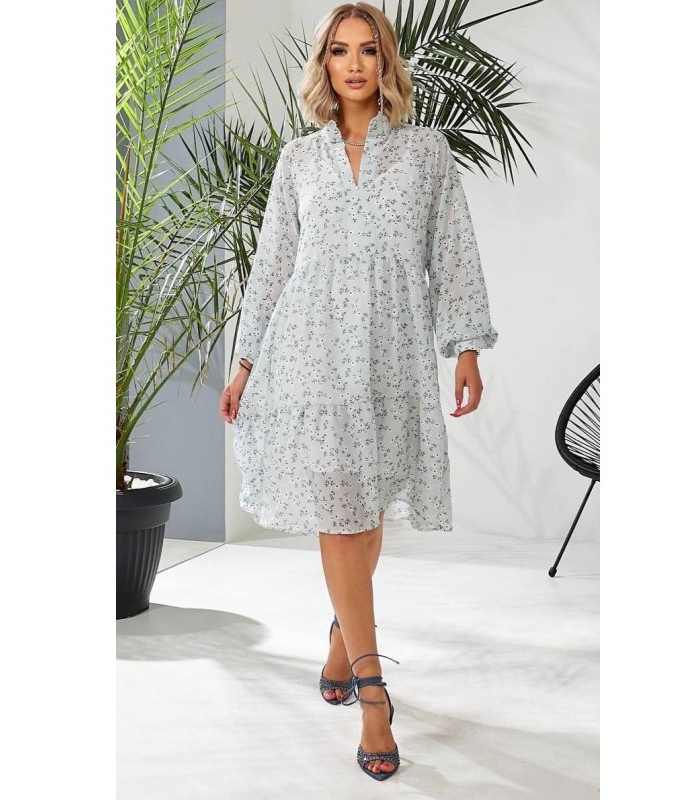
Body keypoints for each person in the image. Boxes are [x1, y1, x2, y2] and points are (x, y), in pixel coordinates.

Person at [219, 1, 499, 782]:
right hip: (309, 352)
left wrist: (466, 347)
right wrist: (245, 363)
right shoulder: (298, 160)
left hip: (393, 353)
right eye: (338, 51)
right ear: (324, 65)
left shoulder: (426, 153)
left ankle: (343, 639)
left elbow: (454, 251)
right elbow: (273, 266)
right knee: (341, 506)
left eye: (367, 50)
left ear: (386, 62)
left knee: (367, 507)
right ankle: (374, 692)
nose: (353, 64)